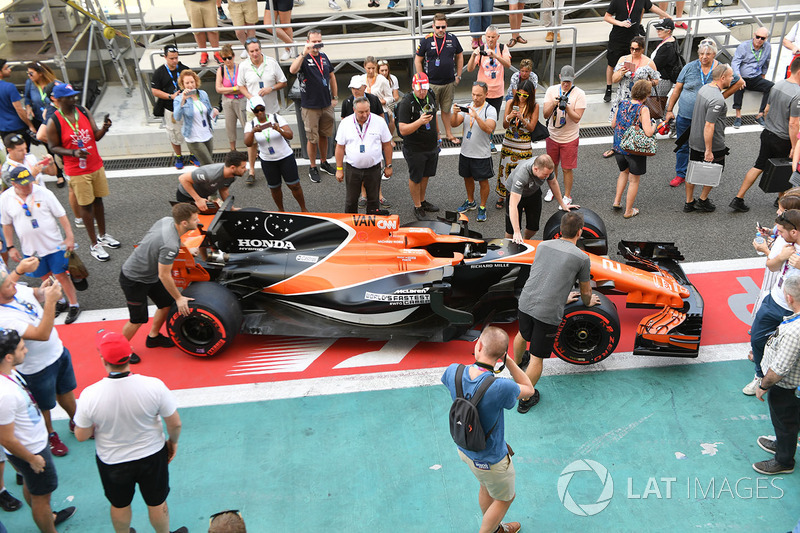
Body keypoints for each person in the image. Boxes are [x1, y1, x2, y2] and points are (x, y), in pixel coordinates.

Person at [74, 330, 187, 533]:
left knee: (119, 504)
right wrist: (173, 442)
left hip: (113, 461)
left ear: (103, 359)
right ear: (130, 355)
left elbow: (81, 436)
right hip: (152, 455)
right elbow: (175, 424)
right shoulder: (154, 386)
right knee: (156, 502)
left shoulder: (90, 395)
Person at [440, 326, 533, 533]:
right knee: (505, 498)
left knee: (486, 487)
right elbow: (529, 388)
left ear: (478, 345)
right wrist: (507, 361)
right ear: (501, 355)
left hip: (465, 450)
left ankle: (496, 528)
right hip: (491, 459)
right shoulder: (501, 387)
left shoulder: (453, 371)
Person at [514, 211, 599, 412]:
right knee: (537, 357)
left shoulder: (542, 245)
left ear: (559, 230)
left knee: (522, 335)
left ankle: (517, 365)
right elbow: (586, 291)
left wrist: (562, 295)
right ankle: (525, 398)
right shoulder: (581, 258)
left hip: (526, 301)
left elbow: (546, 274)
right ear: (580, 232)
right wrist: (588, 303)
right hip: (547, 311)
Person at [0, 257, 78, 458]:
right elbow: (41, 334)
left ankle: (75, 420)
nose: (15, 284)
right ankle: (50, 434)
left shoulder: (15, 290)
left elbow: (36, 294)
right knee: (43, 406)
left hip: (58, 352)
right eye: (9, 284)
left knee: (66, 390)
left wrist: (46, 291)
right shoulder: (4, 318)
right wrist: (52, 301)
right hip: (35, 367)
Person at [0, 329, 76, 533]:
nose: (26, 350)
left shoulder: (10, 373)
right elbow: (6, 439)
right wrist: (32, 458)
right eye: (21, 348)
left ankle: (47, 517)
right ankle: (47, 525)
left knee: (33, 487)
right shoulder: (4, 394)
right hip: (31, 450)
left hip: (32, 445)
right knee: (42, 497)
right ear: (8, 357)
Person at [46, 83, 120, 263]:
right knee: (86, 206)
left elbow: (95, 136)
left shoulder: (83, 111)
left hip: (95, 164)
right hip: (77, 170)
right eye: (70, 97)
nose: (74, 99)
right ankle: (94, 244)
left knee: (99, 201)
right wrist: (73, 152)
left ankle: (103, 235)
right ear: (59, 99)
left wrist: (105, 128)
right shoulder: (54, 121)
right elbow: (53, 147)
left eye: (74, 96)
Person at [119, 203, 200, 365]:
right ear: (184, 223)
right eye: (195, 219)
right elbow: (164, 275)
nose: (198, 221)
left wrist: (185, 250)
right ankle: (119, 351)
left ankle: (153, 338)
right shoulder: (169, 245)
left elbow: (175, 242)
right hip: (134, 279)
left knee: (165, 305)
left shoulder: (167, 220)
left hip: (150, 275)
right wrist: (179, 298)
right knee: (137, 319)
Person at [1, 167, 80, 324]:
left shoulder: (44, 193)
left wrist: (69, 237)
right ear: (13, 183)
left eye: (29, 182)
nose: (28, 186)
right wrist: (10, 246)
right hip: (31, 249)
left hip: (54, 244)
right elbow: (6, 224)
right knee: (45, 277)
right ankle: (60, 301)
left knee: (61, 275)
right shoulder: (5, 198)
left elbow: (61, 215)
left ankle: (74, 304)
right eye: (23, 184)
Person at [663, 39, 744, 187]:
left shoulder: (721, 69)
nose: (704, 57)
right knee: (682, 146)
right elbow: (677, 90)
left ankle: (700, 173)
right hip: (685, 116)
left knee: (704, 146)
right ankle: (681, 174)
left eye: (708, 54)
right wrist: (669, 110)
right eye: (701, 53)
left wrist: (721, 97)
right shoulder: (689, 67)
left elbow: (739, 82)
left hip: (705, 118)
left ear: (714, 54)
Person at [731, 56, 800, 212]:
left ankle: (738, 198)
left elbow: (767, 110)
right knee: (785, 169)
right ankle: (781, 202)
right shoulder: (797, 94)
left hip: (768, 132)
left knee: (758, 166)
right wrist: (794, 146)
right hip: (783, 138)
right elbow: (793, 123)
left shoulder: (777, 85)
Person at [745, 209, 800, 396]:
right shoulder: (785, 244)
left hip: (796, 312)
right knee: (757, 340)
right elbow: (772, 266)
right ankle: (760, 376)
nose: (779, 234)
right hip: (774, 301)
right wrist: (780, 257)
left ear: (794, 232)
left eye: (782, 231)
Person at [753, 274, 800, 475]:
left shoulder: (793, 331)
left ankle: (784, 460)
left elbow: (780, 369)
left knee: (785, 422)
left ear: (789, 298)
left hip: (787, 388)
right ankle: (783, 444)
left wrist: (763, 386)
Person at [236, 37, 288, 184]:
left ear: (260, 49)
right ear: (247, 52)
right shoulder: (244, 66)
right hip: (253, 110)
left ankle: (281, 164)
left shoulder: (271, 62)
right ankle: (251, 171)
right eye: (251, 51)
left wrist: (271, 88)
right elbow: (240, 86)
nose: (255, 53)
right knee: (252, 140)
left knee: (277, 134)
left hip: (271, 108)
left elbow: (283, 82)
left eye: (257, 50)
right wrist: (250, 97)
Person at [289, 29, 338, 183]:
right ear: (308, 42)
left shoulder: (324, 57)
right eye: (314, 41)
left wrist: (335, 97)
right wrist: (303, 53)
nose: (317, 44)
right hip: (310, 106)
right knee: (312, 139)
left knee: (324, 136)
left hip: (326, 104)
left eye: (319, 41)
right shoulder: (303, 57)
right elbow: (292, 70)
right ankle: (312, 166)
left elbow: (331, 76)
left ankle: (323, 162)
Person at [243, 97, 307, 211]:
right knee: (275, 188)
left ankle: (304, 209)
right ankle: (281, 210)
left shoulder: (276, 118)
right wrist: (253, 132)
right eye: (256, 111)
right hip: (268, 161)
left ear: (265, 108)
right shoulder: (250, 124)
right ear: (253, 112)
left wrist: (279, 130)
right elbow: (247, 143)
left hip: (285, 157)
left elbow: (290, 135)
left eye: (261, 109)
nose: (260, 112)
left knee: (294, 185)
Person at [685, 63, 733, 213]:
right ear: (723, 77)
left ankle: (689, 202)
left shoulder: (704, 88)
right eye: (731, 76)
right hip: (712, 142)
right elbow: (709, 125)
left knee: (692, 170)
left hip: (694, 139)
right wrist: (708, 150)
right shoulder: (717, 99)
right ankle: (703, 200)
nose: (732, 79)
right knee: (716, 171)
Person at [602, 35, 659, 158]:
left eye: (637, 49)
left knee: (636, 124)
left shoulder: (649, 62)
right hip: (623, 97)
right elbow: (614, 79)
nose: (633, 52)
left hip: (639, 98)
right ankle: (616, 147)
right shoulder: (623, 59)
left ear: (642, 49)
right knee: (619, 124)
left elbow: (656, 80)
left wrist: (649, 83)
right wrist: (620, 73)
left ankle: (636, 145)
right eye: (632, 49)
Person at [334, 97, 393, 214]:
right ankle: (351, 228)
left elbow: (387, 145)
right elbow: (340, 147)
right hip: (353, 169)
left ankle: (372, 227)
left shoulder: (379, 121)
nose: (365, 115)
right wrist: (339, 169)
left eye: (367, 111)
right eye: (361, 112)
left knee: (373, 200)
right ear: (354, 110)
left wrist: (388, 165)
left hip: (374, 169)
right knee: (351, 201)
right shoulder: (345, 123)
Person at [602, 0, 670, 103]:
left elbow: (652, 7)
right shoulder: (617, 1)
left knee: (632, 61)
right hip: (618, 37)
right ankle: (608, 88)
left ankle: (631, 86)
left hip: (633, 38)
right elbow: (607, 17)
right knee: (612, 63)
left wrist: (667, 16)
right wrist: (620, 23)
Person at [396, 73, 441, 220]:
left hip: (431, 145)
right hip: (414, 148)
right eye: (419, 89)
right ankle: (417, 206)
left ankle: (422, 201)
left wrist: (438, 133)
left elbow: (434, 116)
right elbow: (402, 130)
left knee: (426, 174)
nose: (422, 92)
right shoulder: (407, 102)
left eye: (425, 89)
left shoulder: (430, 94)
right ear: (413, 87)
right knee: (416, 177)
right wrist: (420, 122)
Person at [415, 14, 464, 145]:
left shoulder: (452, 38)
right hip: (431, 84)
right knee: (431, 110)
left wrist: (458, 76)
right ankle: (435, 135)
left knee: (446, 110)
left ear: (446, 26)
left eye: (443, 27)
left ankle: (448, 134)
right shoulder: (426, 40)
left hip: (449, 83)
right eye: (438, 27)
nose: (441, 29)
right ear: (433, 26)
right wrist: (422, 80)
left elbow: (460, 56)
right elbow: (418, 60)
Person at [506, 154, 576, 244]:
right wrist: (516, 231)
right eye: (545, 175)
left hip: (533, 192)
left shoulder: (547, 167)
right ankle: (509, 247)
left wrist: (563, 204)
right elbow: (513, 205)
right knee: (511, 231)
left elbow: (553, 183)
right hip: (515, 193)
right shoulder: (522, 175)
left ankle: (525, 241)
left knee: (533, 228)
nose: (547, 177)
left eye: (549, 174)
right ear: (535, 169)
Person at [452, 81, 497, 222]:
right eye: (473, 94)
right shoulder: (468, 107)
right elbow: (454, 124)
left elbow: (489, 129)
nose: (475, 98)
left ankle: (482, 206)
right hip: (466, 152)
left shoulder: (490, 110)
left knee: (483, 181)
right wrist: (454, 114)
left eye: (478, 95)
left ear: (486, 94)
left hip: (482, 154)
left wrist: (477, 117)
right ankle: (470, 201)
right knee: (467, 178)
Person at [542, 65, 586, 207]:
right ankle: (552, 190)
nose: (566, 84)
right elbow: (545, 114)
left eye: (569, 81)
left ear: (573, 79)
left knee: (567, 168)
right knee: (551, 165)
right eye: (564, 81)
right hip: (552, 135)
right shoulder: (551, 90)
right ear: (559, 77)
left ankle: (567, 195)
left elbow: (577, 118)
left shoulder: (580, 94)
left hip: (570, 138)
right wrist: (555, 103)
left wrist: (567, 107)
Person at [611, 79, 655, 219]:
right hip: (633, 149)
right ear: (647, 95)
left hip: (618, 147)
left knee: (623, 172)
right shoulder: (643, 109)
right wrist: (654, 126)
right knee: (634, 180)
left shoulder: (622, 104)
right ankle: (629, 210)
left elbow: (613, 124)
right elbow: (648, 132)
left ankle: (617, 201)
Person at [496, 79, 537, 211]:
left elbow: (531, 128)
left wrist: (522, 119)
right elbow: (504, 125)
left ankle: (521, 198)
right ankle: (503, 195)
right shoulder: (510, 102)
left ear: (530, 95)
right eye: (519, 94)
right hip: (509, 143)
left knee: (523, 173)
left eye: (525, 95)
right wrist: (509, 117)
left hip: (524, 145)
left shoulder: (534, 106)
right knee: (505, 170)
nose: (521, 97)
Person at [150, 45, 193, 169]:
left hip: (187, 105)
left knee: (191, 131)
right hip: (170, 108)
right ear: (165, 57)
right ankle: (179, 156)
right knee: (173, 133)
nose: (174, 61)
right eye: (171, 58)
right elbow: (155, 91)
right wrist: (171, 96)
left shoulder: (184, 69)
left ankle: (193, 155)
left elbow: (194, 83)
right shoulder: (159, 72)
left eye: (176, 58)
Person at [176, 150, 247, 210]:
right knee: (190, 220)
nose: (245, 169)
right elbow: (183, 178)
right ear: (233, 168)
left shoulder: (232, 176)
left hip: (202, 196)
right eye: (243, 167)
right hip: (186, 195)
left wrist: (231, 209)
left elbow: (223, 190)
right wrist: (198, 199)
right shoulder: (209, 174)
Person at [173, 70, 217, 166]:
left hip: (207, 133)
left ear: (196, 82)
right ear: (182, 84)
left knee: (206, 164)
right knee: (209, 164)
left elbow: (209, 111)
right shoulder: (179, 99)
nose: (190, 85)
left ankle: (203, 180)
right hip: (193, 137)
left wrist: (215, 111)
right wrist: (183, 100)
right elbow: (177, 116)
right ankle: (213, 180)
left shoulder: (203, 94)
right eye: (187, 83)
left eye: (192, 82)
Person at [732, 28, 773, 128]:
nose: (759, 40)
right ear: (754, 35)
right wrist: (739, 77)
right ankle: (738, 116)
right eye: (757, 37)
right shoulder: (744, 46)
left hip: (755, 77)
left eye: (762, 38)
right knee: (738, 86)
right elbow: (735, 62)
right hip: (742, 76)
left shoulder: (767, 47)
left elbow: (767, 61)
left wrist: (763, 74)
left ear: (766, 39)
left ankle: (760, 114)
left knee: (772, 87)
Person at [467, 26, 512, 117]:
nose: (490, 40)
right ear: (485, 36)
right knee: (480, 116)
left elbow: (508, 64)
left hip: (497, 92)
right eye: (488, 37)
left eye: (493, 37)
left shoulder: (503, 48)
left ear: (498, 37)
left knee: (493, 118)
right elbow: (469, 69)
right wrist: (473, 56)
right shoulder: (481, 48)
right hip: (482, 92)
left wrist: (495, 56)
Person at [215, 44, 247, 153]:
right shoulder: (221, 70)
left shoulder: (240, 67)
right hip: (227, 101)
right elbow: (218, 89)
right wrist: (234, 89)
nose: (227, 61)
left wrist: (227, 88)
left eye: (229, 57)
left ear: (233, 56)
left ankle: (252, 148)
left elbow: (244, 87)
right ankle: (233, 150)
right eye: (224, 59)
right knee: (230, 127)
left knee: (246, 125)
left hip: (241, 100)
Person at [0, 59, 37, 149]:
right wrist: (30, 125)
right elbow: (19, 110)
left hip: (3, 128)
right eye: (6, 68)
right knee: (23, 152)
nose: (10, 69)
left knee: (11, 152)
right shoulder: (9, 87)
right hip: (18, 127)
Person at [183, 0, 222, 67]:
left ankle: (216, 52)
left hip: (209, 1)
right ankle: (203, 53)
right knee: (197, 28)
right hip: (191, 2)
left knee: (212, 27)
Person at [23, 63, 57, 131]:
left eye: (31, 73)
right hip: (38, 119)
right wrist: (28, 106)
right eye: (28, 73)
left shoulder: (55, 85)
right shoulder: (30, 83)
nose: (29, 75)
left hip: (53, 120)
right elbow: (27, 97)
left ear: (40, 73)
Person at [650, 18, 681, 92]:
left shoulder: (667, 47)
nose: (658, 31)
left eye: (660, 29)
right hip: (661, 78)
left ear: (669, 31)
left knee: (655, 102)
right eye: (657, 29)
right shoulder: (671, 41)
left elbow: (656, 64)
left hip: (662, 80)